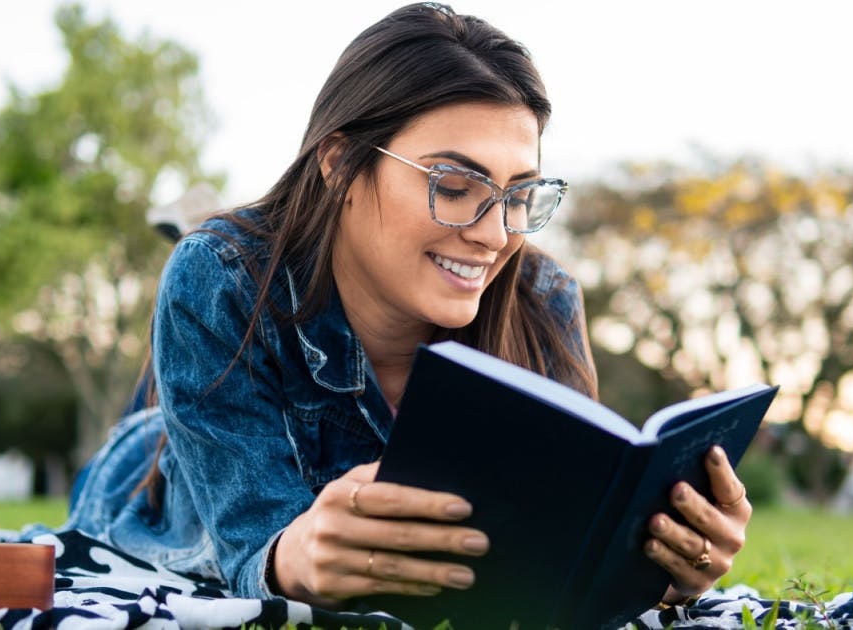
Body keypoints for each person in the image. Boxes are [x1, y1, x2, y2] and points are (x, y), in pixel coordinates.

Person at [66, 1, 751, 614]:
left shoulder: (544, 300)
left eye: (521, 194)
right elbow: (250, 547)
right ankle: (194, 225)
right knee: (205, 288)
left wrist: (658, 564)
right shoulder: (217, 282)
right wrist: (296, 555)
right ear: (338, 160)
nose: (495, 234)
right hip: (157, 486)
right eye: (455, 185)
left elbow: (550, 557)